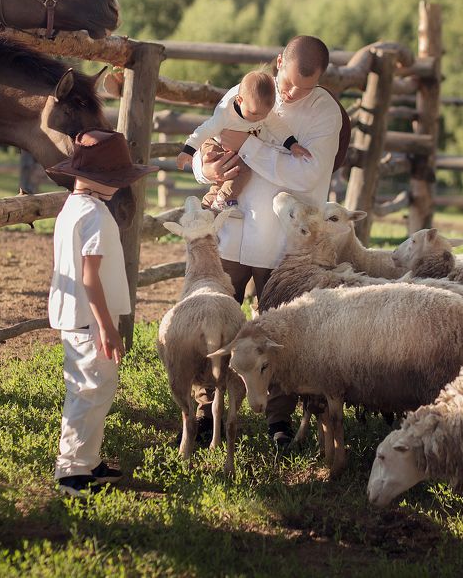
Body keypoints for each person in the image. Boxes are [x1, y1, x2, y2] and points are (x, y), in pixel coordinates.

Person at [191, 35, 343, 446]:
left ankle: (278, 419)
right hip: (231, 232)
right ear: (279, 61)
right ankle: (207, 411)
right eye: (289, 81)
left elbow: (306, 176)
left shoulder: (324, 112)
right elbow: (208, 145)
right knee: (214, 322)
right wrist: (205, 167)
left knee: (278, 329)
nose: (291, 92)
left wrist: (250, 146)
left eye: (303, 87)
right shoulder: (245, 91)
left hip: (283, 242)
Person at [46, 129, 156, 497]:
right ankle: (72, 471)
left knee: (96, 386)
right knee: (89, 390)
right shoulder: (95, 214)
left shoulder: (73, 207)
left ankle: (87, 461)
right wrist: (107, 327)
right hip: (90, 318)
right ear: (104, 182)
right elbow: (89, 276)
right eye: (118, 180)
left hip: (79, 314)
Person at [176, 70, 310, 213]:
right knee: (242, 171)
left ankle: (207, 208)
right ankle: (224, 199)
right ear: (239, 101)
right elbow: (204, 130)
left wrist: (292, 144)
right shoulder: (225, 115)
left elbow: (277, 126)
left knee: (227, 178)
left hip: (234, 150)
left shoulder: (261, 110)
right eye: (253, 113)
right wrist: (188, 151)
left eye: (264, 114)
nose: (259, 118)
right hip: (214, 144)